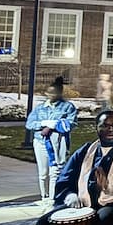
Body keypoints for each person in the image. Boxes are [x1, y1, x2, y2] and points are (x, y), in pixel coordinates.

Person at [24, 76, 79, 204]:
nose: (51, 95)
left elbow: (71, 124)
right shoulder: (40, 108)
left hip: (58, 143)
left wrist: (53, 125)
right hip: (40, 142)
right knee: (43, 172)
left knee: (55, 171)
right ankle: (44, 196)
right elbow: (30, 124)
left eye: (54, 92)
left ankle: (53, 198)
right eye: (49, 92)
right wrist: (44, 123)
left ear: (60, 93)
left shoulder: (67, 107)